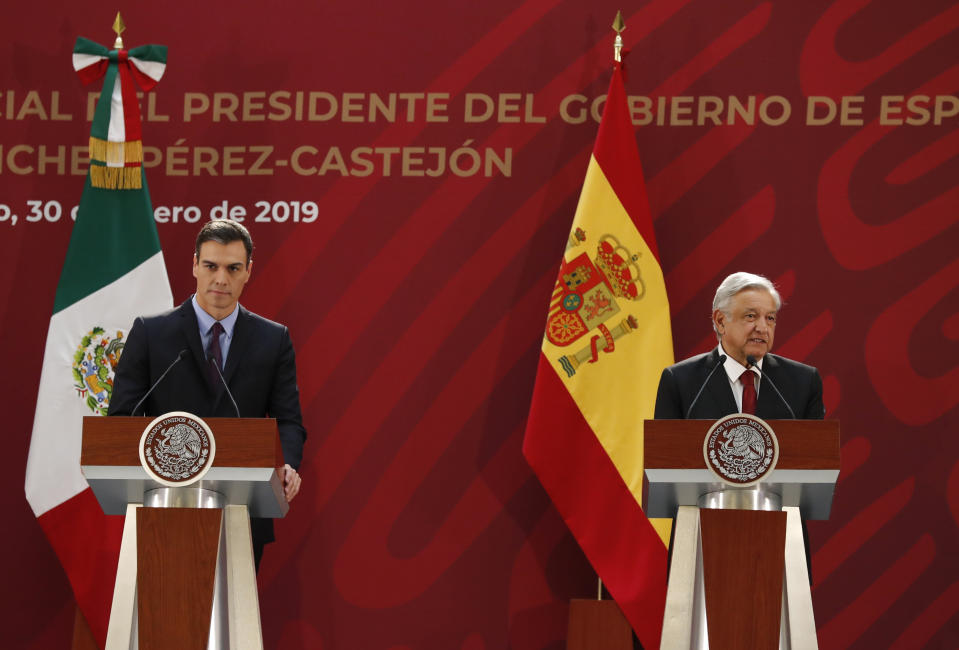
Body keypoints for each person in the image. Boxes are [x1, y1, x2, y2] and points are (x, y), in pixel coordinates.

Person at [108, 219, 306, 568]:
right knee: (164, 619)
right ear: (195, 265)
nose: (221, 279)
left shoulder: (273, 340)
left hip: (242, 512)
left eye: (233, 269)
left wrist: (287, 464)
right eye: (211, 266)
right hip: (162, 508)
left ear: (248, 272)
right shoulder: (151, 333)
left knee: (232, 619)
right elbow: (122, 419)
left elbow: (288, 420)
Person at [654, 271, 824, 420]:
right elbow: (663, 453)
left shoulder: (804, 382)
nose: (763, 328)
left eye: (770, 318)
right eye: (751, 316)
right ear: (720, 321)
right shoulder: (680, 381)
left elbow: (817, 454)